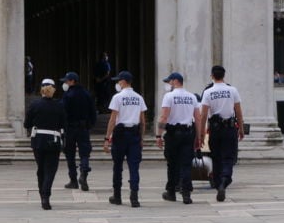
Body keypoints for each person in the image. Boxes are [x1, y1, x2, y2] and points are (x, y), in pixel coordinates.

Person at [200, 65, 244, 202]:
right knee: (229, 157)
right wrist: (241, 128)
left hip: (215, 129)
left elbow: (203, 115)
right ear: (224, 76)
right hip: (229, 128)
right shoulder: (232, 90)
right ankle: (225, 180)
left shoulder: (208, 92)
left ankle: (219, 183)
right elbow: (238, 112)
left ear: (212, 76)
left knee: (216, 157)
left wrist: (201, 133)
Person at [103, 70, 147, 207]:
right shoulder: (139, 97)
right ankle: (134, 197)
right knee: (134, 166)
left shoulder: (118, 97)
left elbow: (112, 119)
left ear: (123, 82)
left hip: (120, 134)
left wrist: (107, 138)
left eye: (118, 81)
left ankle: (117, 196)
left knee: (118, 166)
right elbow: (143, 121)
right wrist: (141, 138)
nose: (117, 83)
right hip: (134, 134)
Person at [156, 72, 201, 205]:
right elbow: (197, 117)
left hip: (173, 134)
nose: (168, 84)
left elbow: (164, 117)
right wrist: (199, 136)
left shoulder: (169, 96)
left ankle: (171, 192)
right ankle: (186, 194)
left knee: (172, 164)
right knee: (186, 164)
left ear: (175, 81)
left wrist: (159, 134)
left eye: (169, 81)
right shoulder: (191, 97)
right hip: (188, 133)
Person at [24, 78, 66, 210]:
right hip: (53, 141)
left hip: (38, 141)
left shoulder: (34, 104)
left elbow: (27, 124)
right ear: (54, 89)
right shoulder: (59, 105)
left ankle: (42, 194)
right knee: (50, 170)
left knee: (41, 169)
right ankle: (46, 196)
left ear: (41, 89)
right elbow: (63, 124)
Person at [60, 71, 96, 191]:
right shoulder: (87, 93)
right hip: (83, 128)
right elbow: (93, 111)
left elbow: (63, 113)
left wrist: (62, 127)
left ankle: (73, 180)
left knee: (70, 154)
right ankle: (84, 175)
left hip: (70, 128)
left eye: (66, 81)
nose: (65, 83)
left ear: (72, 81)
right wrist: (89, 125)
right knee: (84, 153)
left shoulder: (67, 95)